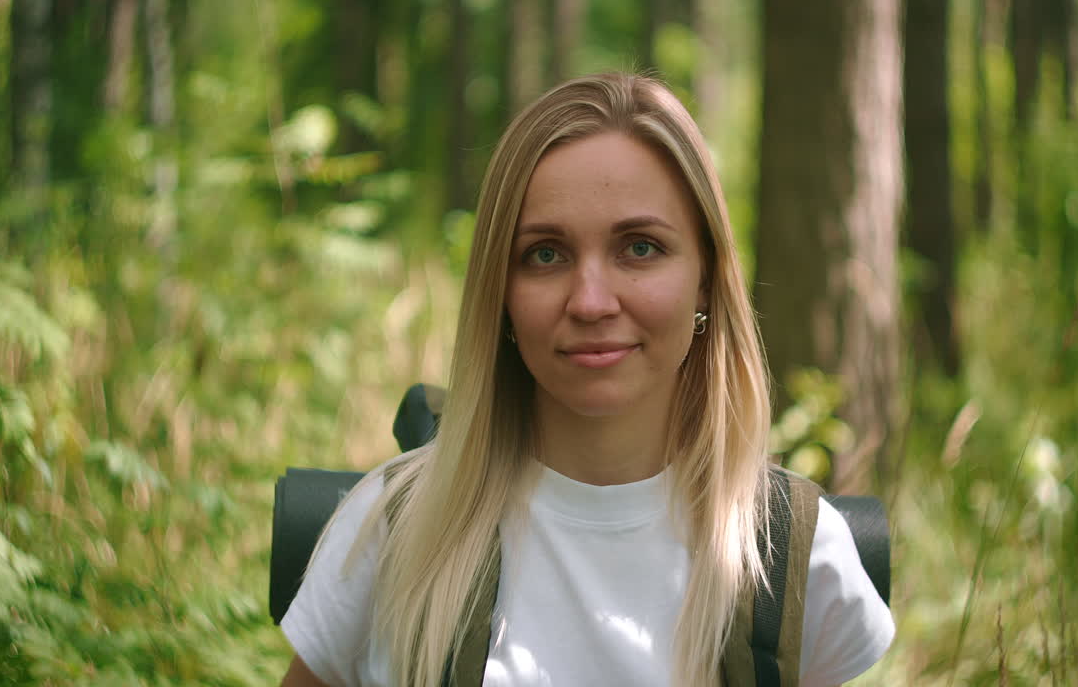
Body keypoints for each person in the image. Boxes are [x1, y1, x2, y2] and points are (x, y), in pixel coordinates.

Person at [279, 73, 894, 687]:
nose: (592, 301)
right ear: (501, 296)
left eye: (640, 247)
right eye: (546, 254)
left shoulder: (792, 556)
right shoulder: (396, 532)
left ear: (705, 276)